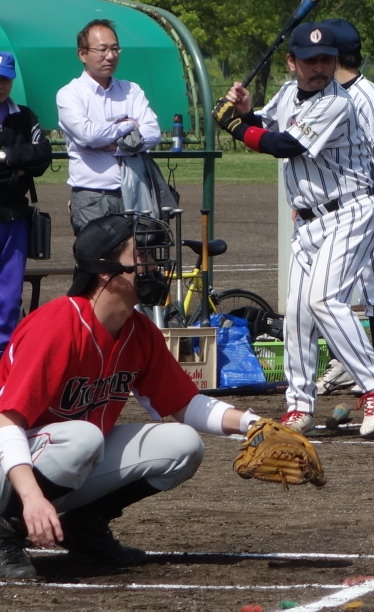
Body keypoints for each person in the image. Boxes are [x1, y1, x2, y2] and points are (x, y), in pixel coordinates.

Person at [0, 213, 264, 579]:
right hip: (10, 460)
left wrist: (254, 424)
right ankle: (4, 532)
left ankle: (83, 525)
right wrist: (31, 497)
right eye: (142, 255)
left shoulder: (138, 331)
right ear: (104, 268)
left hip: (56, 455)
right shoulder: (57, 324)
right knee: (83, 437)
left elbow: (185, 404)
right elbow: (7, 420)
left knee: (183, 445)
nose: (154, 265)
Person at [211, 21, 374, 437]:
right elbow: (267, 125)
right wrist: (244, 112)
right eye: (310, 60)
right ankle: (300, 406)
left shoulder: (337, 102)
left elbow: (285, 145)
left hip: (350, 211)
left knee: (324, 300)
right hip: (310, 220)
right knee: (297, 314)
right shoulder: (287, 93)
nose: (319, 68)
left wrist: (233, 127)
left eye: (326, 60)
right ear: (291, 61)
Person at [314, 18, 374, 395]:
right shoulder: (329, 94)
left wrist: (363, 196)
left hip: (372, 203)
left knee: (372, 287)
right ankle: (347, 363)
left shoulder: (369, 96)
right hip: (339, 208)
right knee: (333, 289)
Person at [56, 19, 163, 234]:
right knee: (98, 255)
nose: (111, 56)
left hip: (135, 191)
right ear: (82, 54)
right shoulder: (69, 94)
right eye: (102, 49)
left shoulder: (131, 90)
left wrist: (115, 146)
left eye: (115, 49)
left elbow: (153, 133)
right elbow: (89, 136)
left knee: (141, 254)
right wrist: (128, 126)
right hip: (93, 198)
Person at [0, 51, 52, 350]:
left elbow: (42, 156)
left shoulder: (24, 115)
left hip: (14, 216)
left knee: (9, 295)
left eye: (5, 79)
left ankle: (4, 355)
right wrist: (17, 169)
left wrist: (7, 156)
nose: (1, 85)